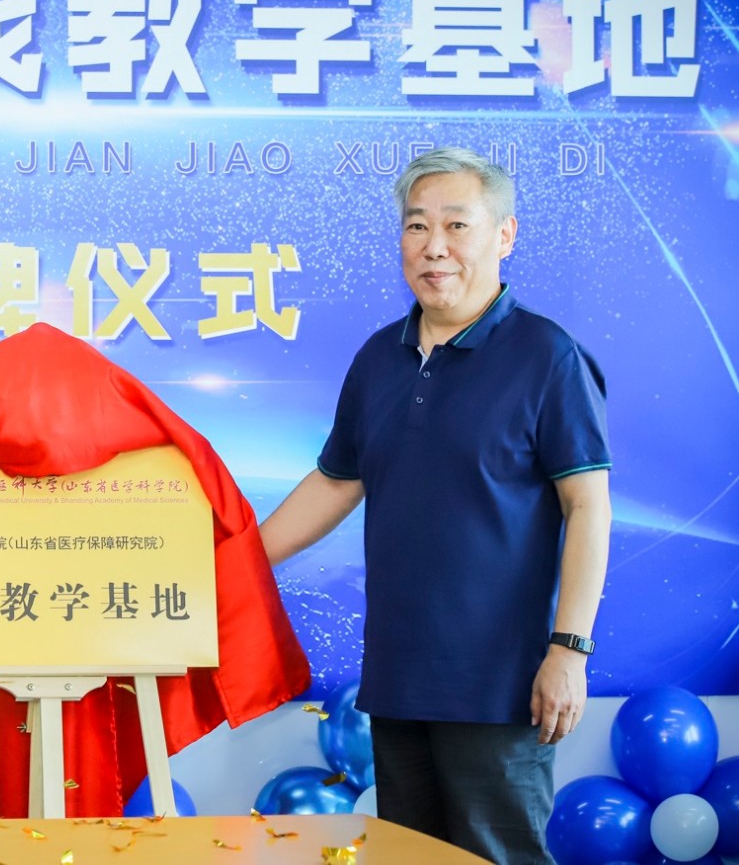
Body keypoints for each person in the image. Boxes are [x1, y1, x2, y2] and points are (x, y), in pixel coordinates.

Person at [258, 148, 611, 864]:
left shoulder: (547, 356)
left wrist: (568, 650)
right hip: (399, 678)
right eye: (417, 226)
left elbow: (588, 507)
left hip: (500, 686)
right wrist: (233, 563)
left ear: (504, 235)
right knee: (412, 857)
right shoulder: (378, 359)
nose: (434, 246)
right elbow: (336, 481)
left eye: (457, 225)